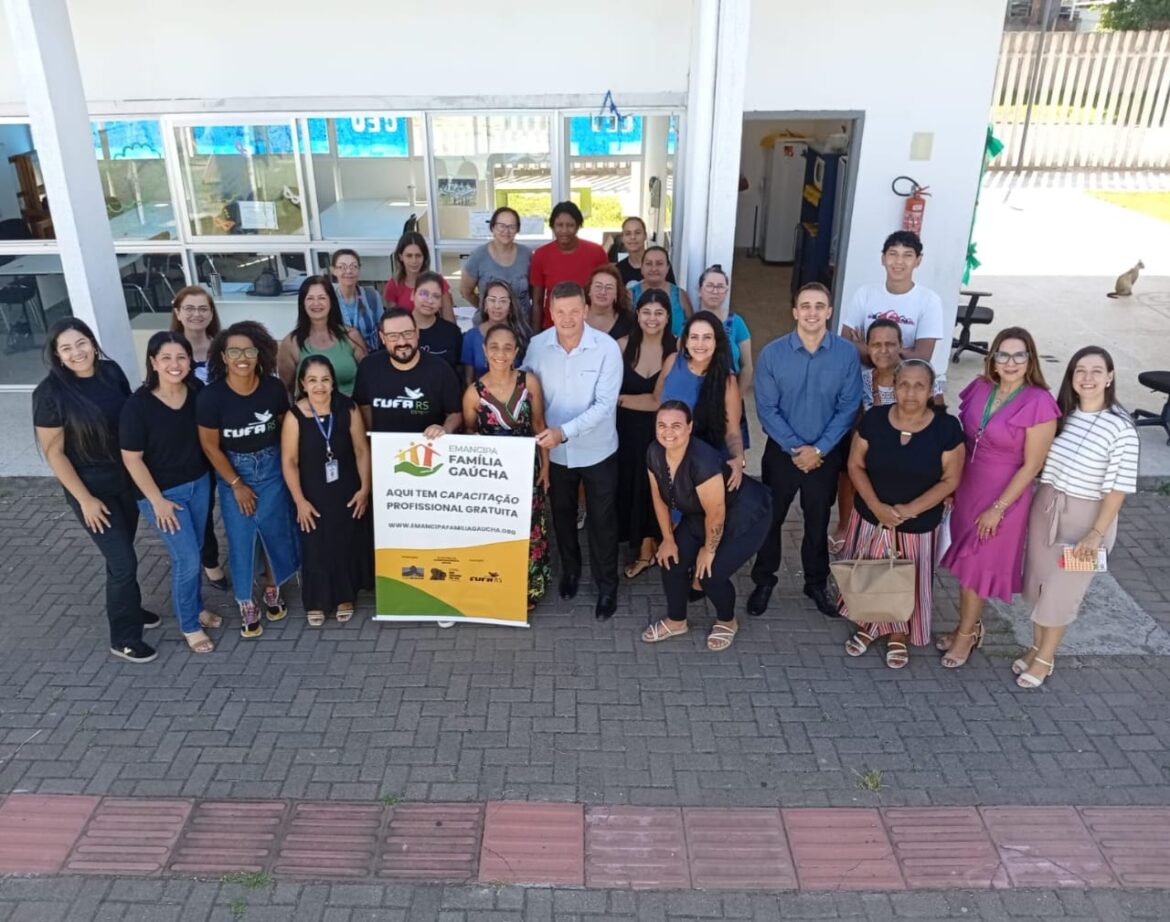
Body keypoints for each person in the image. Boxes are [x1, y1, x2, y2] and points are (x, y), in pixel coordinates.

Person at [33, 318, 160, 663]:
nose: (77, 353)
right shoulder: (50, 393)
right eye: (67, 348)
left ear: (92, 342)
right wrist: (85, 499)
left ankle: (129, 608)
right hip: (90, 491)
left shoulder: (110, 371)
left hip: (124, 481)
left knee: (121, 556)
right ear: (57, 355)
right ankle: (124, 637)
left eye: (81, 343)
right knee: (122, 561)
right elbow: (54, 454)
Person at [1017, 346, 1138, 688]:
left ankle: (1045, 659)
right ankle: (1036, 646)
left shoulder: (1121, 428)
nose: (1088, 378)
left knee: (1063, 592)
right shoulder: (1063, 415)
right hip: (1048, 507)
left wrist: (1095, 534)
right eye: (1080, 370)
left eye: (1097, 371)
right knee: (1040, 586)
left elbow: (1118, 490)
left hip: (1089, 519)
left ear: (1110, 377)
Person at [938, 327, 1060, 668]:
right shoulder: (980, 388)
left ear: (1030, 360)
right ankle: (969, 626)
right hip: (968, 486)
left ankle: (966, 635)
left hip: (1004, 496)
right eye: (1003, 354)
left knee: (976, 566)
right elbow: (961, 440)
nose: (1010, 362)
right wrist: (951, 486)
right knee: (964, 565)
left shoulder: (1039, 402)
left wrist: (998, 508)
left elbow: (1032, 465)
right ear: (992, 358)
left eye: (1019, 355)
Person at [840, 359, 965, 668]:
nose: (910, 392)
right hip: (871, 516)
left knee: (907, 579)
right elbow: (855, 464)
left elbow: (951, 479)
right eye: (904, 384)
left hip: (918, 523)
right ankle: (870, 625)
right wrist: (876, 506)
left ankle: (899, 633)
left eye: (919, 385)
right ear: (894, 387)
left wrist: (908, 510)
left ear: (931, 390)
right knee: (870, 571)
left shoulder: (947, 428)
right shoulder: (875, 419)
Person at [748, 282, 862, 618]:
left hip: (825, 457)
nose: (812, 312)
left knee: (817, 521)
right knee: (771, 519)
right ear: (795, 311)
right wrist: (798, 448)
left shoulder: (846, 354)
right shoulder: (772, 354)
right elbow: (766, 409)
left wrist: (820, 449)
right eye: (805, 305)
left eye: (819, 306)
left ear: (829, 312)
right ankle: (764, 580)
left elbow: (849, 405)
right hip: (783, 454)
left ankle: (815, 582)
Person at [522, 281, 623, 619]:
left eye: (574, 311)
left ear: (585, 310)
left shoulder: (606, 349)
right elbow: (526, 393)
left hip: (598, 451)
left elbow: (605, 406)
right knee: (562, 516)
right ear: (551, 312)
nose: (567, 318)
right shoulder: (537, 347)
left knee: (603, 521)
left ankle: (607, 586)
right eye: (560, 312)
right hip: (556, 456)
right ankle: (571, 571)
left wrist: (563, 432)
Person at [120, 332, 221, 655]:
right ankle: (190, 625)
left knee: (199, 545)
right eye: (166, 358)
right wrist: (157, 501)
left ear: (190, 360)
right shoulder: (138, 406)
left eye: (181, 357)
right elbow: (131, 459)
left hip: (199, 483)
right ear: (153, 362)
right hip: (162, 494)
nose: (174, 365)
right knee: (187, 559)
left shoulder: (197, 391)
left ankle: (197, 607)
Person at [197, 321, 300, 638]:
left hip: (271, 469)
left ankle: (273, 587)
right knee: (242, 539)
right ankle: (245, 601)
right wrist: (236, 485)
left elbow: (286, 430)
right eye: (234, 351)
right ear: (224, 357)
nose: (243, 357)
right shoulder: (212, 397)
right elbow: (210, 447)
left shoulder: (272, 389)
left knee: (275, 532)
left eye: (249, 350)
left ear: (259, 353)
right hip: (235, 472)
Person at [640, 402, 771, 651]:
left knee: (710, 574)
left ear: (689, 428)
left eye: (676, 425)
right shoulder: (654, 451)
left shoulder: (702, 461)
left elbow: (717, 511)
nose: (668, 431)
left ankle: (727, 620)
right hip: (700, 514)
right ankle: (676, 620)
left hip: (743, 514)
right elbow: (657, 497)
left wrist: (708, 550)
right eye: (662, 425)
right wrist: (667, 538)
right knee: (671, 561)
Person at [830, 319, 943, 552]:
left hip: (914, 455)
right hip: (873, 449)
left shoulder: (922, 378)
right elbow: (856, 418)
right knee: (849, 465)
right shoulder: (862, 379)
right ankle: (845, 525)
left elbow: (941, 424)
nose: (883, 351)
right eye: (876, 344)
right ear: (867, 347)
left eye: (890, 344)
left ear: (901, 345)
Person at [462, 324, 553, 611]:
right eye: (494, 347)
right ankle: (497, 586)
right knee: (496, 532)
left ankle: (528, 588)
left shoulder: (529, 382)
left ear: (516, 352)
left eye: (507, 347)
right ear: (484, 351)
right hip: (492, 479)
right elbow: (469, 433)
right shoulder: (474, 393)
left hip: (526, 472)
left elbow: (540, 427)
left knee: (529, 530)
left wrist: (546, 467)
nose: (500, 353)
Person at [281, 355, 371, 627]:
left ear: (333, 382)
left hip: (346, 488)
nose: (319, 386)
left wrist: (365, 488)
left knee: (344, 541)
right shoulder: (295, 415)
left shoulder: (348, 408)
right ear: (303, 384)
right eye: (312, 380)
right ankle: (317, 600)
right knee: (316, 545)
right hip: (312, 492)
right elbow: (289, 461)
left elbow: (361, 450)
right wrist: (299, 501)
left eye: (325, 379)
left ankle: (345, 596)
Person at [615, 289, 675, 579]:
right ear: (637, 315)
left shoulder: (675, 351)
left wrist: (619, 399)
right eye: (647, 312)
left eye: (659, 313)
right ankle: (640, 545)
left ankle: (650, 549)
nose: (652, 318)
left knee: (657, 488)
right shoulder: (620, 346)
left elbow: (658, 401)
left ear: (667, 318)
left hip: (661, 433)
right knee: (631, 485)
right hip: (624, 430)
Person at [170, 285, 227, 589]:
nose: (196, 314)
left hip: (227, 441)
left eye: (203, 308)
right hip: (189, 446)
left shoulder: (222, 347)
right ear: (177, 313)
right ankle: (210, 560)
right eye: (189, 308)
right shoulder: (170, 352)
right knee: (201, 510)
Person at [655, 311, 745, 489]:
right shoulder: (672, 362)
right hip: (666, 454)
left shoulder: (727, 381)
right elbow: (656, 402)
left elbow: (733, 431)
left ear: (716, 341)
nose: (700, 344)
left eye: (707, 337)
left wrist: (738, 459)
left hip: (704, 464)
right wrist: (619, 400)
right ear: (686, 341)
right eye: (694, 337)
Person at [839, 230, 944, 367]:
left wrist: (866, 347)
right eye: (893, 254)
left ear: (918, 260)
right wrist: (904, 351)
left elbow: (922, 357)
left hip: (904, 382)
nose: (899, 261)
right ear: (883, 259)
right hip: (862, 377)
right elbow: (845, 345)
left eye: (907, 255)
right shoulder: (864, 294)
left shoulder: (929, 300)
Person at [352, 308, 462, 437]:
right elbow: (363, 408)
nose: (402, 342)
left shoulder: (441, 369)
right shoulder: (368, 367)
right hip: (382, 450)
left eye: (408, 333)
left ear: (417, 333)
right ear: (382, 338)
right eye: (393, 336)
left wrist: (444, 429)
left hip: (428, 450)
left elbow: (456, 414)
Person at [277, 275, 367, 396]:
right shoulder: (291, 343)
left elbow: (368, 379)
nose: (316, 303)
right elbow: (285, 389)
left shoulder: (351, 336)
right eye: (310, 298)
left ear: (331, 301)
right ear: (302, 303)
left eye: (322, 298)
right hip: (310, 412)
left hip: (350, 410)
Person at [528, 201, 609, 332]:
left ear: (578, 227)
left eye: (570, 225)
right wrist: (536, 337)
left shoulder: (597, 253)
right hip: (552, 328)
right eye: (559, 225)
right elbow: (537, 302)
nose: (564, 231)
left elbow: (607, 293)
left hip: (589, 327)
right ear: (552, 227)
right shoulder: (541, 255)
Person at [460, 206, 532, 320]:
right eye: (501, 226)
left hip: (522, 326)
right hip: (489, 325)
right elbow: (466, 291)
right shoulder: (478, 255)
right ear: (492, 227)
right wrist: (487, 308)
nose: (506, 231)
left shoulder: (527, 254)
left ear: (517, 229)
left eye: (511, 227)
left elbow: (533, 291)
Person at [460, 279, 530, 385]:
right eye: (492, 300)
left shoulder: (523, 334)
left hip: (516, 396)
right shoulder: (471, 337)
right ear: (485, 304)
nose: (497, 306)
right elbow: (469, 379)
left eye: (503, 301)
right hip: (481, 397)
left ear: (510, 306)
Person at [695, 264, 752, 391]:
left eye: (720, 287)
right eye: (709, 286)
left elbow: (747, 366)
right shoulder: (690, 325)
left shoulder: (737, 322)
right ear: (699, 290)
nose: (715, 291)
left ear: (726, 291)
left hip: (730, 392)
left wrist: (737, 398)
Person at [383, 231, 455, 321]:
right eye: (409, 256)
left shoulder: (438, 281)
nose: (414, 261)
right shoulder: (393, 285)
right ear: (401, 257)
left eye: (418, 255)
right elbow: (392, 321)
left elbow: (449, 319)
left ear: (424, 257)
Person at [628, 246, 692, 337]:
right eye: (649, 263)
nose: (654, 269)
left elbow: (692, 327)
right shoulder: (630, 295)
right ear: (641, 268)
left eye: (659, 263)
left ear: (668, 268)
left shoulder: (680, 295)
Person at [330, 249, 383, 353]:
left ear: (359, 269)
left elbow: (382, 326)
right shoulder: (330, 300)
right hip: (343, 358)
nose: (349, 271)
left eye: (353, 266)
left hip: (371, 356)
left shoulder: (371, 295)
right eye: (342, 267)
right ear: (333, 270)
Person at [412, 270, 463, 373]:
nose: (429, 301)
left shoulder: (451, 332)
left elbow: (459, 369)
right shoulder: (398, 330)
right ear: (412, 295)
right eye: (424, 293)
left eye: (436, 296)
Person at [613, 216, 676, 286]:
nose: (633, 237)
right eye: (628, 234)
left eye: (637, 233)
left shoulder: (660, 264)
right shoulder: (618, 269)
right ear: (622, 238)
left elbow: (673, 293)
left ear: (645, 236)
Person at [585, 264, 634, 340]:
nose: (603, 292)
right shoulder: (576, 317)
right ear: (589, 290)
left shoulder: (629, 322)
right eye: (598, 286)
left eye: (609, 288)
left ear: (616, 294)